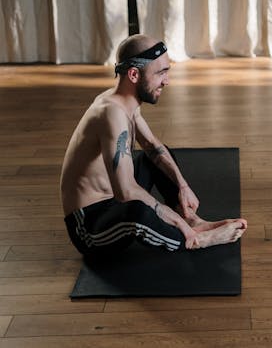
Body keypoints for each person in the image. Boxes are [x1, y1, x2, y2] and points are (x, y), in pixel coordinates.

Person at [60, 34, 247, 258]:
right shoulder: (111, 114)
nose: (166, 81)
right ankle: (196, 239)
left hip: (114, 201)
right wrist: (172, 217)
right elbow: (125, 192)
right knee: (139, 211)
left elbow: (152, 145)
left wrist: (183, 186)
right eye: (161, 73)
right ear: (134, 74)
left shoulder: (124, 102)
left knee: (158, 156)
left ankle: (193, 221)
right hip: (91, 225)